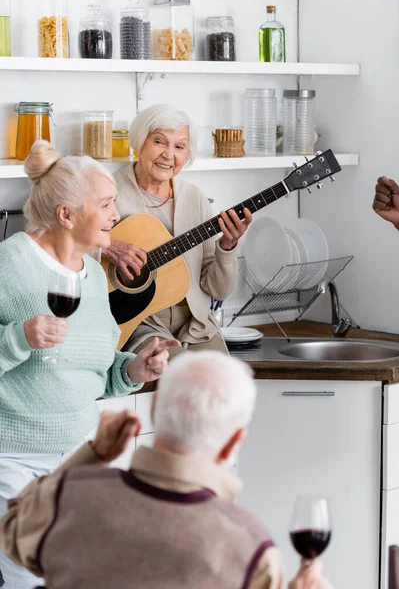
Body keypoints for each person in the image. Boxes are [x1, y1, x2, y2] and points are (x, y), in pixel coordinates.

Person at [0, 140, 179, 588]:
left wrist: (133, 369)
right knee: (27, 578)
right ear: (66, 215)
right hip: (14, 459)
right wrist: (18, 338)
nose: (116, 215)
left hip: (83, 455)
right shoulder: (9, 266)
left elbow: (92, 366)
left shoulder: (94, 276)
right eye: (105, 204)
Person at [0, 351, 332, 589]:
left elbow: (12, 534)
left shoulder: (65, 499)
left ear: (155, 409)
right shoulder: (251, 549)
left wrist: (92, 457)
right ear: (234, 441)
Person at [104, 103, 253, 358]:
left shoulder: (194, 198)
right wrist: (108, 246)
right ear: (140, 142)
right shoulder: (109, 191)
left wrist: (227, 248)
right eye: (159, 142)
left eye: (179, 146)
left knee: (224, 379)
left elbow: (218, 290)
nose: (169, 155)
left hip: (195, 324)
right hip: (139, 323)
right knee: (184, 377)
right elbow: (69, 247)